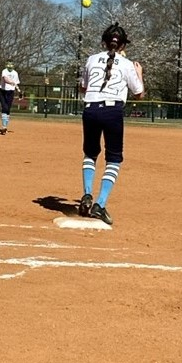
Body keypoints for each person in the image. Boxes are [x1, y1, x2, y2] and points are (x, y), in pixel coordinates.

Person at [78, 22, 145, 225]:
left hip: (90, 110)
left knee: (90, 154)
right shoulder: (127, 64)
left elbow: (83, 88)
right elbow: (139, 94)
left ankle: (87, 194)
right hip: (112, 111)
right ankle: (100, 204)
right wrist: (139, 73)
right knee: (114, 159)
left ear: (104, 42)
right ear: (122, 45)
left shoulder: (91, 59)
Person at [0, 60, 22, 135]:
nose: (10, 66)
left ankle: (5, 127)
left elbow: (16, 83)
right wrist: (11, 82)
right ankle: (3, 127)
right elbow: (5, 79)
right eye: (8, 64)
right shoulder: (4, 71)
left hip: (11, 92)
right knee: (4, 107)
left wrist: (19, 90)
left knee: (8, 109)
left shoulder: (15, 73)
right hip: (2, 91)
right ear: (6, 65)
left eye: (11, 64)